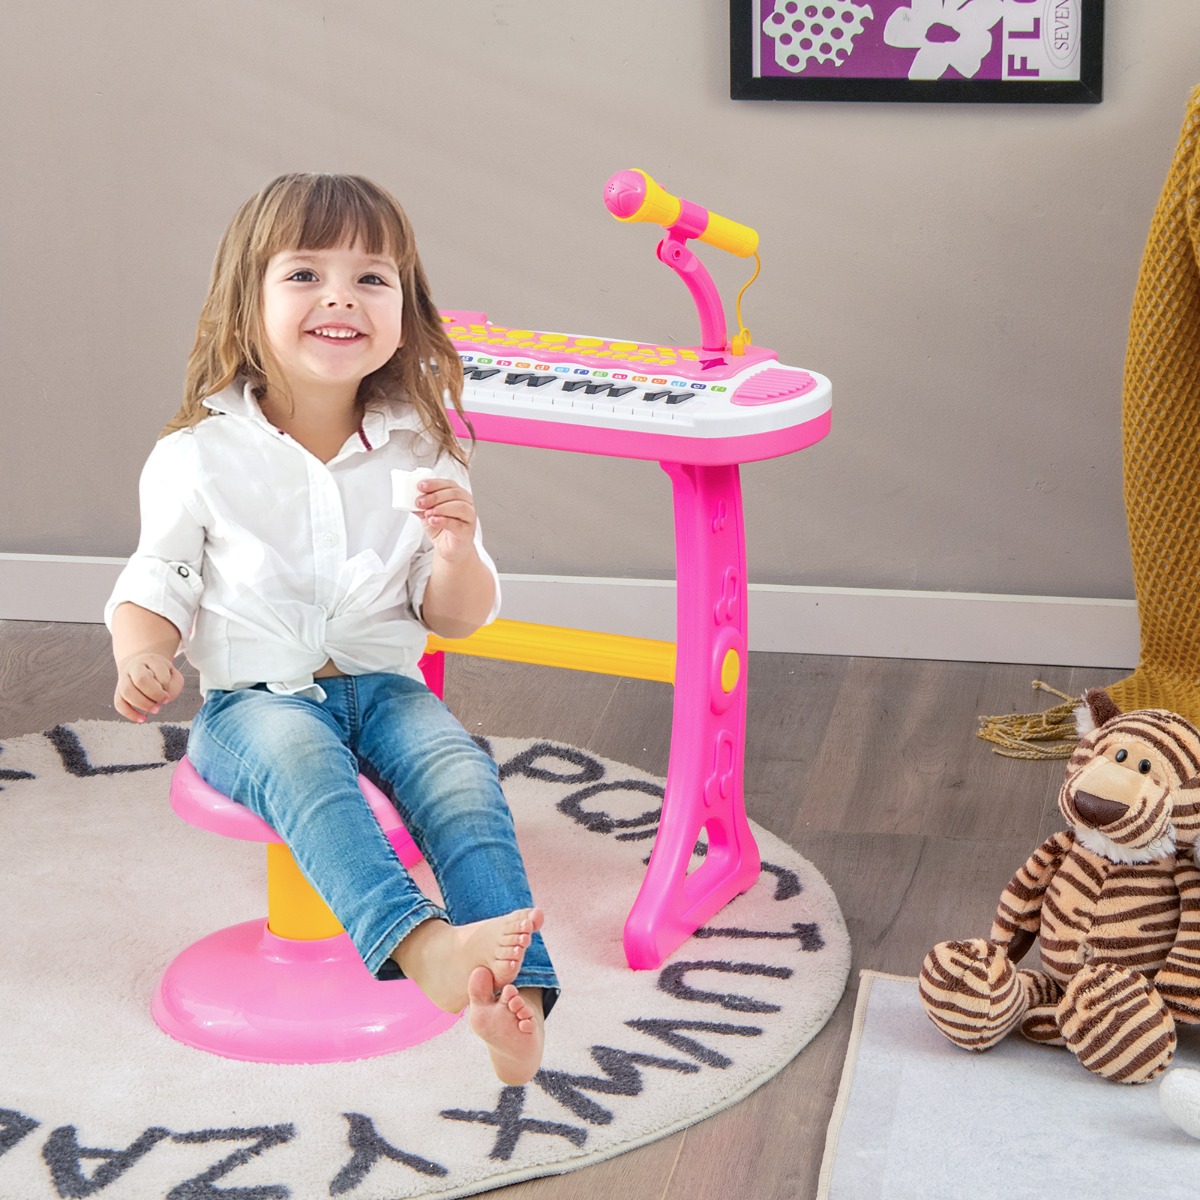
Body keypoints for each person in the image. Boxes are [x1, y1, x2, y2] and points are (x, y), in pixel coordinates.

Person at [105, 172, 557, 1085]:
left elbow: (452, 617)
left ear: (405, 309)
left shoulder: (427, 446)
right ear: (248, 303)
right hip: (253, 705)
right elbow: (157, 578)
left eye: (371, 278)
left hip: (387, 689)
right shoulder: (196, 455)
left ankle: (518, 1005)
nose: (341, 295)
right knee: (309, 770)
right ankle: (425, 948)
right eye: (305, 274)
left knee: (462, 777)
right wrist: (144, 653)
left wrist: (457, 550)